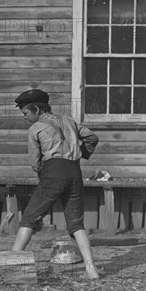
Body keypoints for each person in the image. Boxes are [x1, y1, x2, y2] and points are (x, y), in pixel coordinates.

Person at [12, 89, 100, 279]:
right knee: (76, 224)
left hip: (52, 173)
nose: (25, 118)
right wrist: (81, 153)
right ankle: (91, 269)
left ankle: (12, 263)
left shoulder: (35, 129)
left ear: (36, 109)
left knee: (29, 218)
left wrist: (43, 172)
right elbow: (92, 137)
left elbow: (34, 161)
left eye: (26, 113)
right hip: (75, 173)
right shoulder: (69, 120)